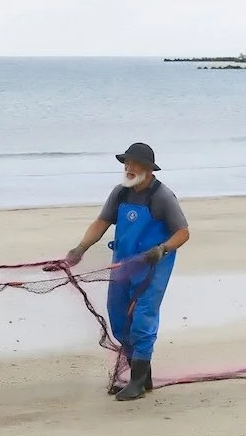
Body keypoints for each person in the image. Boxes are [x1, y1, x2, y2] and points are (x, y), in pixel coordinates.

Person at [62, 142, 190, 401]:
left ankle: (138, 383)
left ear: (148, 169)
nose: (128, 168)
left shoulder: (162, 196)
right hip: (122, 265)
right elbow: (101, 222)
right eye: (126, 164)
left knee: (142, 319)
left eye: (133, 164)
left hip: (152, 267)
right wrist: (80, 248)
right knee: (119, 319)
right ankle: (144, 379)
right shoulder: (121, 193)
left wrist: (162, 249)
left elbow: (183, 233)